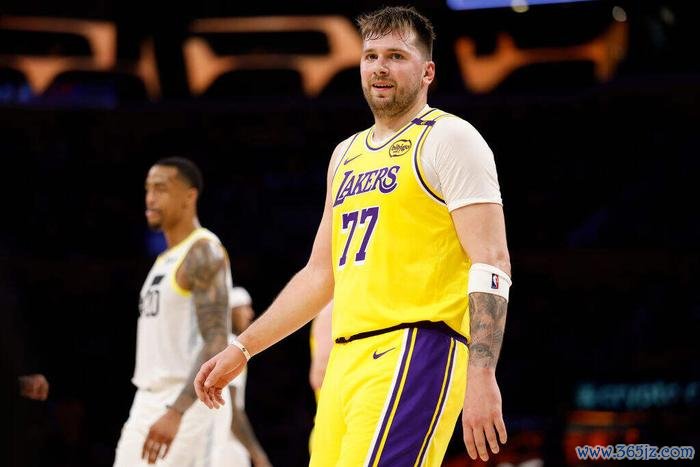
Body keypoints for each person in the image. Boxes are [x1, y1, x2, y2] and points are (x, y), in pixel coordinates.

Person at [195, 6, 512, 466]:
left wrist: (482, 372)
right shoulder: (345, 154)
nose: (380, 67)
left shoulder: (450, 138)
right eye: (371, 56)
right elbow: (319, 275)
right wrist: (242, 348)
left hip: (416, 346)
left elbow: (492, 260)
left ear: (428, 72)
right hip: (346, 361)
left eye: (396, 56)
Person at [114, 157, 231, 466]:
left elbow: (217, 338)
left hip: (184, 400)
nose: (150, 198)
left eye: (161, 189)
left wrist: (176, 411)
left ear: (189, 197)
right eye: (148, 189)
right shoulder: (165, 258)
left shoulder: (203, 250)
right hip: (146, 398)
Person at [209, 285, 272, 467]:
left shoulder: (213, 343)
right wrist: (258, 455)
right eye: (245, 307)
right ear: (231, 311)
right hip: (227, 444)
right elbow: (231, 410)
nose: (250, 314)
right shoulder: (231, 347)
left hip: (212, 441)